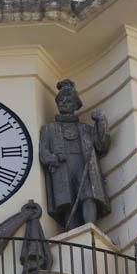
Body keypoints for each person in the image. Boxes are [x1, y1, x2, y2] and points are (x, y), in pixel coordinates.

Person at [39, 79, 110, 230]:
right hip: (62, 168)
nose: (64, 103)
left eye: (69, 100)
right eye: (61, 100)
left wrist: (101, 123)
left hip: (83, 165)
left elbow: (101, 145)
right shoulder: (49, 129)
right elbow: (44, 153)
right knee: (66, 199)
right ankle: (74, 232)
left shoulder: (86, 129)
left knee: (88, 195)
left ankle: (90, 227)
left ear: (76, 105)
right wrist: (54, 158)